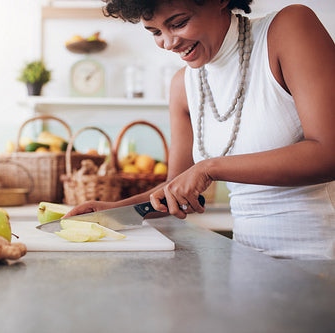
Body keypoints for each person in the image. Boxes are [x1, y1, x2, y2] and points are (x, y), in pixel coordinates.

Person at [64, 0, 335, 259]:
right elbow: (172, 190)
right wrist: (111, 211)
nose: (168, 43)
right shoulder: (183, 86)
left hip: (320, 258)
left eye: (179, 23)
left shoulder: (290, 29)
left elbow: (329, 154)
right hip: (250, 263)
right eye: (155, 32)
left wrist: (209, 168)